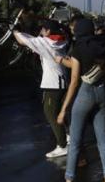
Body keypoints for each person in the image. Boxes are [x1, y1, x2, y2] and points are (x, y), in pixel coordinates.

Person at [56, 18, 105, 182]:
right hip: (102, 91)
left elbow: (75, 79)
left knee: (75, 141)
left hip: (85, 93)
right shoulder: (102, 45)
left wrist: (63, 109)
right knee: (104, 139)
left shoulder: (78, 48)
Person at [13, 20, 69, 158]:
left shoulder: (46, 43)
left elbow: (23, 41)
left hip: (53, 84)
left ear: (48, 31)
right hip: (61, 82)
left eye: (43, 29)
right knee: (59, 112)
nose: (41, 31)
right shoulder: (59, 41)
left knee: (50, 113)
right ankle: (68, 136)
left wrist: (14, 31)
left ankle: (62, 146)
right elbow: (33, 39)